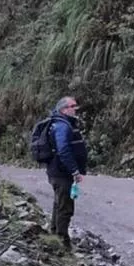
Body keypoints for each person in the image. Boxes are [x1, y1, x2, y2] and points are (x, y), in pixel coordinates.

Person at [46, 96, 88, 249]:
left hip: (57, 172)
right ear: (64, 109)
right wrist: (74, 170)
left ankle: (54, 236)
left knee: (59, 204)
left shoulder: (62, 124)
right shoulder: (62, 126)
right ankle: (62, 242)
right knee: (65, 207)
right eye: (72, 106)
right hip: (61, 173)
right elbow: (63, 150)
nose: (75, 109)